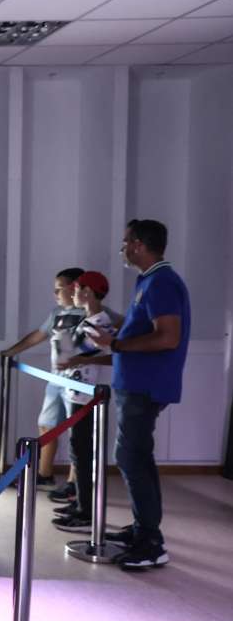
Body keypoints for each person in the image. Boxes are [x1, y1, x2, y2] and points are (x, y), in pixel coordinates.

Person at [88, 219, 190, 570]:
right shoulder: (148, 280)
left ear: (139, 245)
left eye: (125, 242)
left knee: (131, 457)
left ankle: (151, 542)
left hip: (145, 385)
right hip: (135, 383)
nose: (122, 249)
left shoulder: (162, 282)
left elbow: (168, 337)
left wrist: (116, 344)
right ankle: (143, 528)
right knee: (137, 457)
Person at [0, 268, 85, 495]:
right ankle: (44, 474)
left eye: (59, 289)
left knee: (77, 431)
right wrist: (11, 352)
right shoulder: (56, 313)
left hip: (79, 382)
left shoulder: (90, 312)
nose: (55, 294)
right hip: (55, 379)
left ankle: (74, 482)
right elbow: (38, 335)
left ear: (74, 288)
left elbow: (116, 327)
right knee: (47, 425)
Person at [52, 271, 117, 532]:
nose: (73, 293)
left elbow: (112, 355)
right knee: (77, 450)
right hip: (76, 392)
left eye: (77, 289)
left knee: (82, 450)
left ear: (88, 292)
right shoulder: (88, 320)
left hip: (87, 396)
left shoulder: (101, 322)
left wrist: (79, 359)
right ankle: (81, 501)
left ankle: (85, 510)